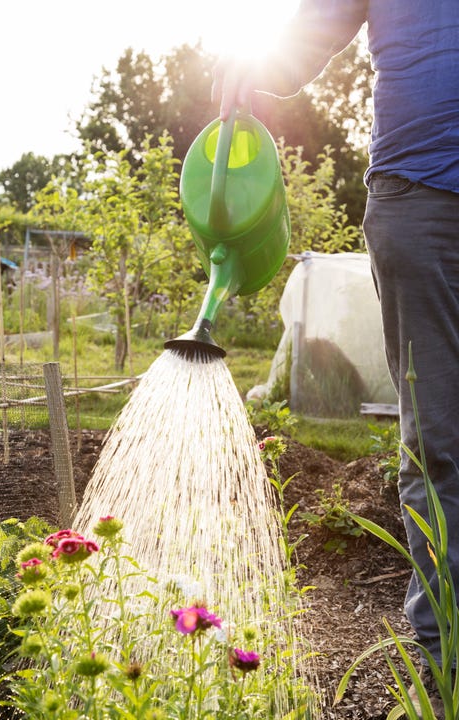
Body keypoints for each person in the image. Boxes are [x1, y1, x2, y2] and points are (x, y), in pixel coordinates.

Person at [212, 2, 459, 718]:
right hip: (417, 201)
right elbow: (309, 36)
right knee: (440, 443)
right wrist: (251, 67)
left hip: (414, 205)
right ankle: (450, 672)